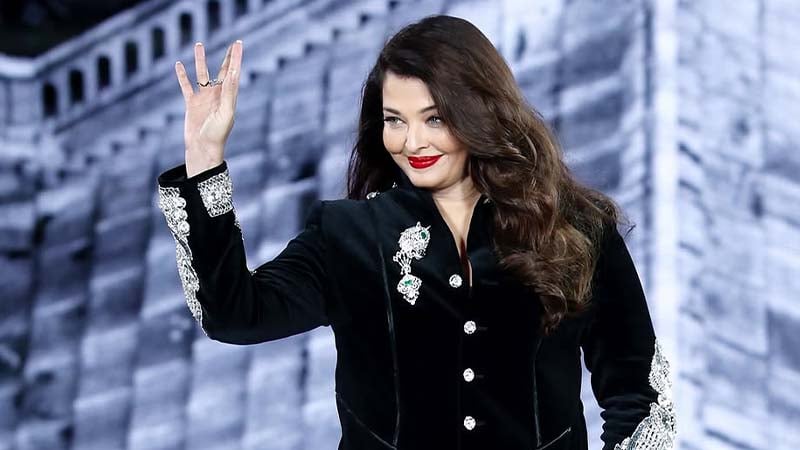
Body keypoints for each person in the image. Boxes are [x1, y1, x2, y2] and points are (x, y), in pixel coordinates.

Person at [157, 14, 675, 450]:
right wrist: (204, 158)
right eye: (394, 120)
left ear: (480, 112)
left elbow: (641, 397)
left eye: (434, 118)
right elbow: (233, 313)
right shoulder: (347, 235)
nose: (412, 142)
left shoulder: (575, 229)